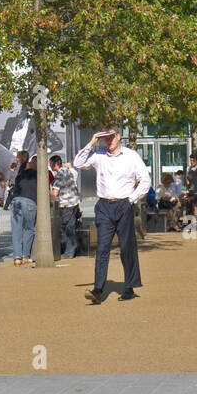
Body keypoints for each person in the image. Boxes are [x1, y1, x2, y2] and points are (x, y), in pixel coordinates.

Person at [74, 127, 151, 302]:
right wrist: (91, 142)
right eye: (105, 138)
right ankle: (98, 289)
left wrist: (132, 199)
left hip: (124, 203)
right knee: (102, 248)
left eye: (110, 138)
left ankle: (129, 287)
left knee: (127, 247)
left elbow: (145, 180)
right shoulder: (98, 155)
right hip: (104, 206)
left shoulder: (131, 156)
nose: (108, 141)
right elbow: (78, 163)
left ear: (118, 137)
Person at [10, 152, 39, 266]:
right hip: (30, 201)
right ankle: (25, 256)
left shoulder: (20, 174)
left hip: (16, 200)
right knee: (29, 228)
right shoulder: (38, 175)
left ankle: (17, 257)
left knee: (17, 230)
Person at [51, 155, 81, 259]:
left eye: (51, 164)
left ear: (54, 165)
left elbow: (55, 193)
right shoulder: (70, 171)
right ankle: (70, 250)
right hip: (74, 202)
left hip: (66, 204)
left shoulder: (60, 174)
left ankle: (69, 251)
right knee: (70, 226)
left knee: (66, 227)